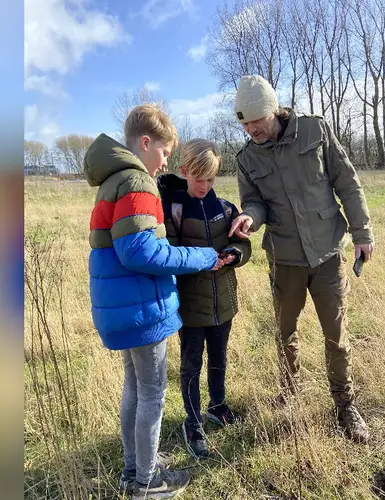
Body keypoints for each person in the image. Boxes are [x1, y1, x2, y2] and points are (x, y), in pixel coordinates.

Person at [84, 104, 229, 499]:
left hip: (122, 307)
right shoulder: (137, 183)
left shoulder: (111, 182)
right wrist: (201, 257)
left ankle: (134, 470)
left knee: (135, 388)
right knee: (151, 393)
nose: (165, 163)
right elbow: (140, 252)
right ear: (145, 143)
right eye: (165, 153)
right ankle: (147, 482)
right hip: (142, 307)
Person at [228, 75, 375, 443]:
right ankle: (289, 392)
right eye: (244, 123)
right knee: (284, 332)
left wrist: (362, 232)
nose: (251, 129)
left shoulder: (315, 131)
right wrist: (250, 218)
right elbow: (254, 202)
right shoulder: (246, 158)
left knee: (336, 334)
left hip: (327, 253)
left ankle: (345, 404)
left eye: (256, 121)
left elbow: (347, 182)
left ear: (273, 111)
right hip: (285, 259)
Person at [156, 139, 252, 460]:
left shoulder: (225, 208)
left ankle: (217, 406)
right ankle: (193, 421)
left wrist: (235, 253)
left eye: (211, 179)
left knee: (219, 360)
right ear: (184, 172)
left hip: (223, 303)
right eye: (199, 178)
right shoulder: (173, 211)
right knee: (191, 365)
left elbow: (245, 246)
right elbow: (167, 254)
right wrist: (202, 258)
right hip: (191, 308)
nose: (205, 185)